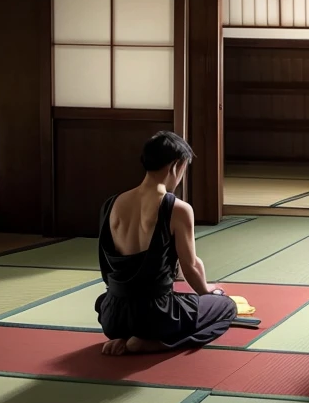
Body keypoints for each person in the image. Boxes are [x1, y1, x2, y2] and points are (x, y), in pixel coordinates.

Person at [96, 131, 237, 355]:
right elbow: (189, 266)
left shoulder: (112, 204)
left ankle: (123, 337)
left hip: (113, 315)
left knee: (164, 302)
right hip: (155, 317)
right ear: (175, 166)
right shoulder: (177, 208)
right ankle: (154, 343)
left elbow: (106, 269)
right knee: (225, 306)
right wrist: (206, 292)